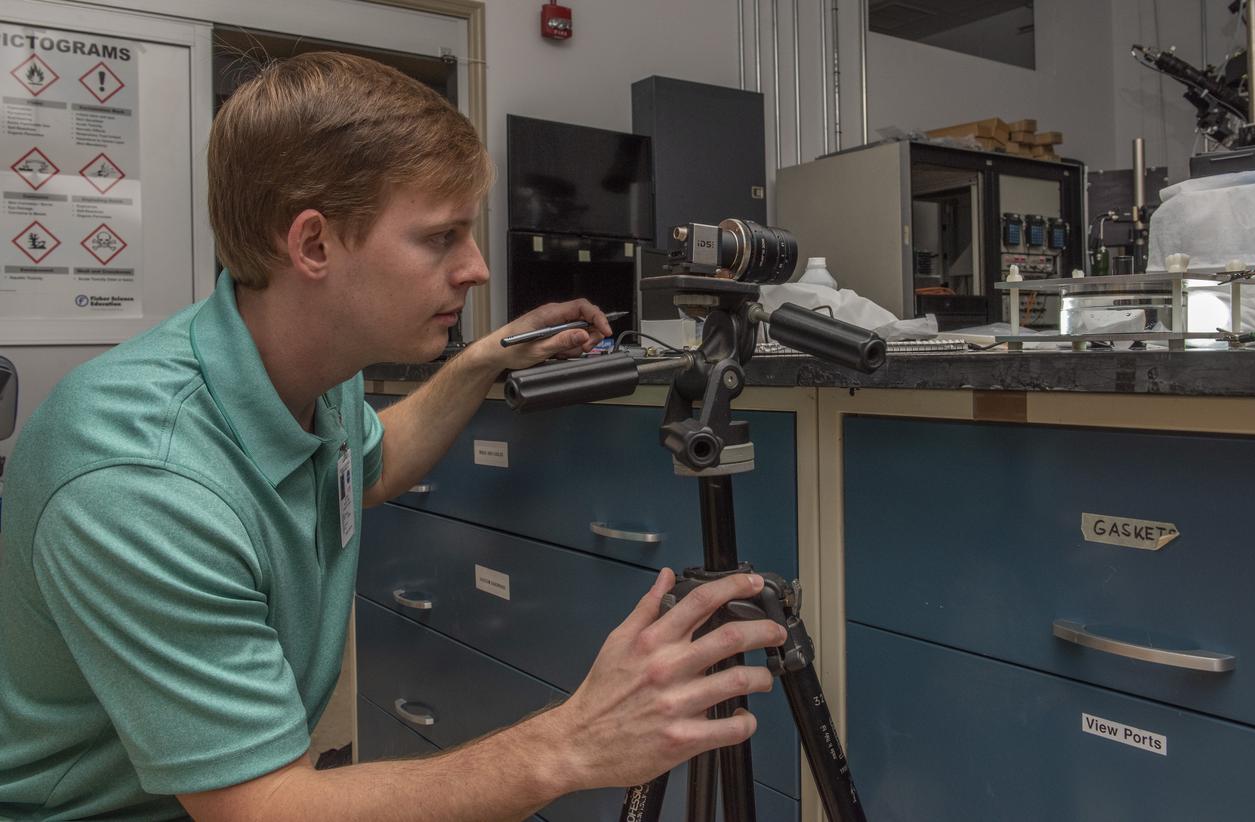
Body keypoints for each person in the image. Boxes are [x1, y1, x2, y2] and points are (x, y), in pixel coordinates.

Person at [0, 52, 783, 820]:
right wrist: (571, 746)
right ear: (313, 245)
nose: (476, 268)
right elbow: (263, 809)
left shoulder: (313, 365)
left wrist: (479, 361)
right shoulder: (140, 482)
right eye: (441, 238)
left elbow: (367, 468)